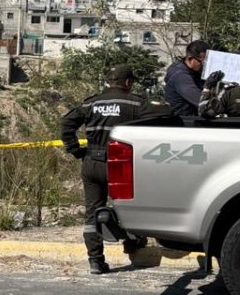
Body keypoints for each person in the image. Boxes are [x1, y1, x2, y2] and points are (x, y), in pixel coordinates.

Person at [61, 67, 165, 275]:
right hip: (120, 164)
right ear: (127, 82)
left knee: (92, 212)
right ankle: (133, 244)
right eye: (131, 82)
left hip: (92, 162)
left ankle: (95, 261)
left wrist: (76, 150)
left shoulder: (91, 103)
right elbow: (164, 115)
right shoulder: (134, 103)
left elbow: (66, 123)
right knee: (131, 206)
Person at [164, 40, 209, 117]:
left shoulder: (194, 72)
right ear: (191, 59)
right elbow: (201, 101)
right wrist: (208, 85)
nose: (206, 66)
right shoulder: (181, 77)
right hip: (183, 122)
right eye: (203, 62)